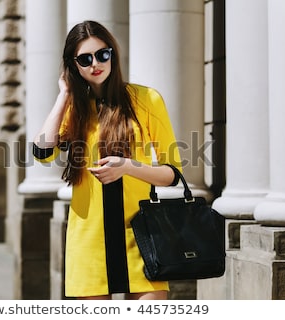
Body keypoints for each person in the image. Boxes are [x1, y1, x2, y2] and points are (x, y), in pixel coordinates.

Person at [33, 21, 182, 300]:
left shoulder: (146, 99)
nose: (95, 64)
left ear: (113, 54)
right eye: (84, 59)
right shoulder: (74, 108)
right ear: (73, 65)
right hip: (89, 244)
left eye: (103, 54)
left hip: (142, 240)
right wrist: (64, 94)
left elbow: (172, 174)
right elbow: (42, 153)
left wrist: (128, 167)